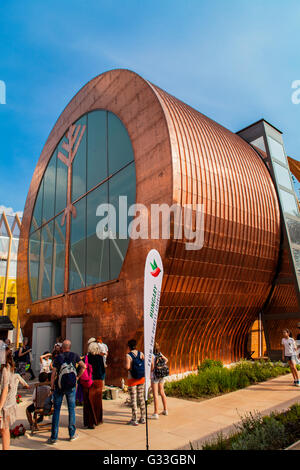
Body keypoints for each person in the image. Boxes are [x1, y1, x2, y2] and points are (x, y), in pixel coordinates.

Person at [49, 339, 86, 444]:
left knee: (56, 410)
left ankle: (54, 437)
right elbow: (84, 366)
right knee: (71, 410)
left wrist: (52, 387)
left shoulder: (58, 358)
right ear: (70, 347)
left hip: (59, 387)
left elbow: (53, 374)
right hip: (71, 387)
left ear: (62, 348)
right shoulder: (75, 356)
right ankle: (72, 434)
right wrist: (77, 377)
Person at [0, 347, 29, 450]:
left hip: (5, 405)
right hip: (7, 404)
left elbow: (5, 389)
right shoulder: (7, 368)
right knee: (4, 430)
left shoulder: (5, 369)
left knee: (4, 429)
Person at [82, 339, 105, 429]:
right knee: (97, 401)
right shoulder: (100, 358)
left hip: (89, 381)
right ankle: (98, 420)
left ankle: (90, 422)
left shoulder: (86, 358)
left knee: (88, 401)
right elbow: (103, 370)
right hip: (98, 381)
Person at [125, 339, 146, 426]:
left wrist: (130, 368)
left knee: (133, 399)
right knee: (141, 397)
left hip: (132, 379)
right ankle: (143, 417)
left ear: (129, 346)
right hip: (141, 378)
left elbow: (127, 367)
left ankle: (134, 419)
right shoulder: (141, 353)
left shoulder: (128, 355)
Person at [149, 342, 169, 419]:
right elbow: (166, 360)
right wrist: (162, 366)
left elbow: (152, 367)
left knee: (155, 394)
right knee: (162, 391)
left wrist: (152, 369)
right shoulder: (160, 354)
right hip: (162, 375)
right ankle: (165, 409)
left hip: (155, 376)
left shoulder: (152, 356)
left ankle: (156, 413)